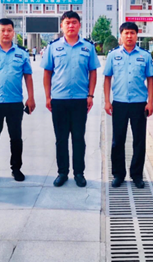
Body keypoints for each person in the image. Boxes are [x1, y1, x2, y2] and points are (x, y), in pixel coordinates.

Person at [41, 11, 101, 188]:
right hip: (59, 100)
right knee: (61, 138)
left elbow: (93, 72)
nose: (71, 26)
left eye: (74, 22)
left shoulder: (88, 47)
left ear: (79, 25)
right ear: (62, 25)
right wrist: (48, 97)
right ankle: (62, 172)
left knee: (78, 138)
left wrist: (90, 95)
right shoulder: (53, 47)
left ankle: (79, 173)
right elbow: (47, 73)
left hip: (80, 100)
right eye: (67, 23)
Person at [0, 18, 36, 185]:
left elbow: (28, 77)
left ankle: (16, 168)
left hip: (15, 102)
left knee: (16, 138)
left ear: (13, 32)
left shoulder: (22, 53)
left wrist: (31, 97)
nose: (6, 33)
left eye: (9, 30)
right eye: (2, 30)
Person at [104, 22, 153, 189]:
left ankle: (137, 175)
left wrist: (151, 102)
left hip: (139, 104)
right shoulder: (113, 55)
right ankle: (118, 174)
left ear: (136, 35)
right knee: (117, 140)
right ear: (121, 35)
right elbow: (107, 78)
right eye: (126, 33)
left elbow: (150, 79)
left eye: (132, 33)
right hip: (119, 103)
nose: (129, 36)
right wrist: (107, 101)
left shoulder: (145, 56)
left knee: (139, 140)